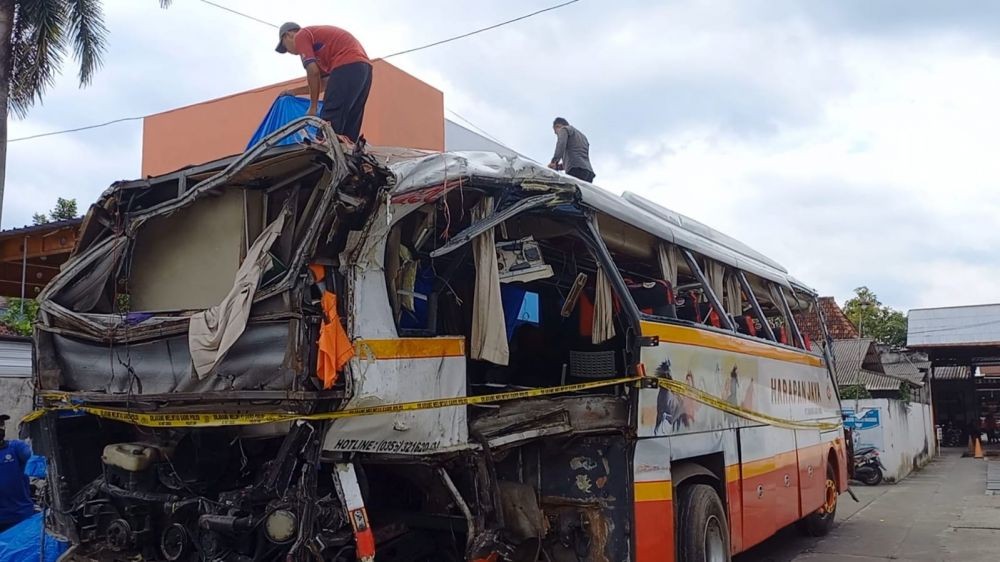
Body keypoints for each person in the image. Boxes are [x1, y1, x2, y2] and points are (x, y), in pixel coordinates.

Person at [276, 22, 372, 142]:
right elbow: (324, 83)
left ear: (288, 35)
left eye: (285, 47)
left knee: (327, 126)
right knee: (348, 125)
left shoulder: (301, 35)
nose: (289, 52)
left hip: (347, 65)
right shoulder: (322, 52)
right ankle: (347, 152)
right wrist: (293, 92)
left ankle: (323, 154)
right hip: (364, 70)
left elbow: (313, 72)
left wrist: (313, 106)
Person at [0, 414, 34, 532]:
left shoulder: (16, 447)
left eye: (1, 424)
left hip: (20, 515)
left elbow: (32, 455)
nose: (1, 427)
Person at [548, 117, 595, 182]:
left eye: (556, 132)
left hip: (575, 170)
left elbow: (561, 144)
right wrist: (558, 167)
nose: (557, 134)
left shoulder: (564, 129)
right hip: (588, 172)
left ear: (558, 126)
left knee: (568, 190)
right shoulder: (583, 137)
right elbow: (576, 157)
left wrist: (554, 162)